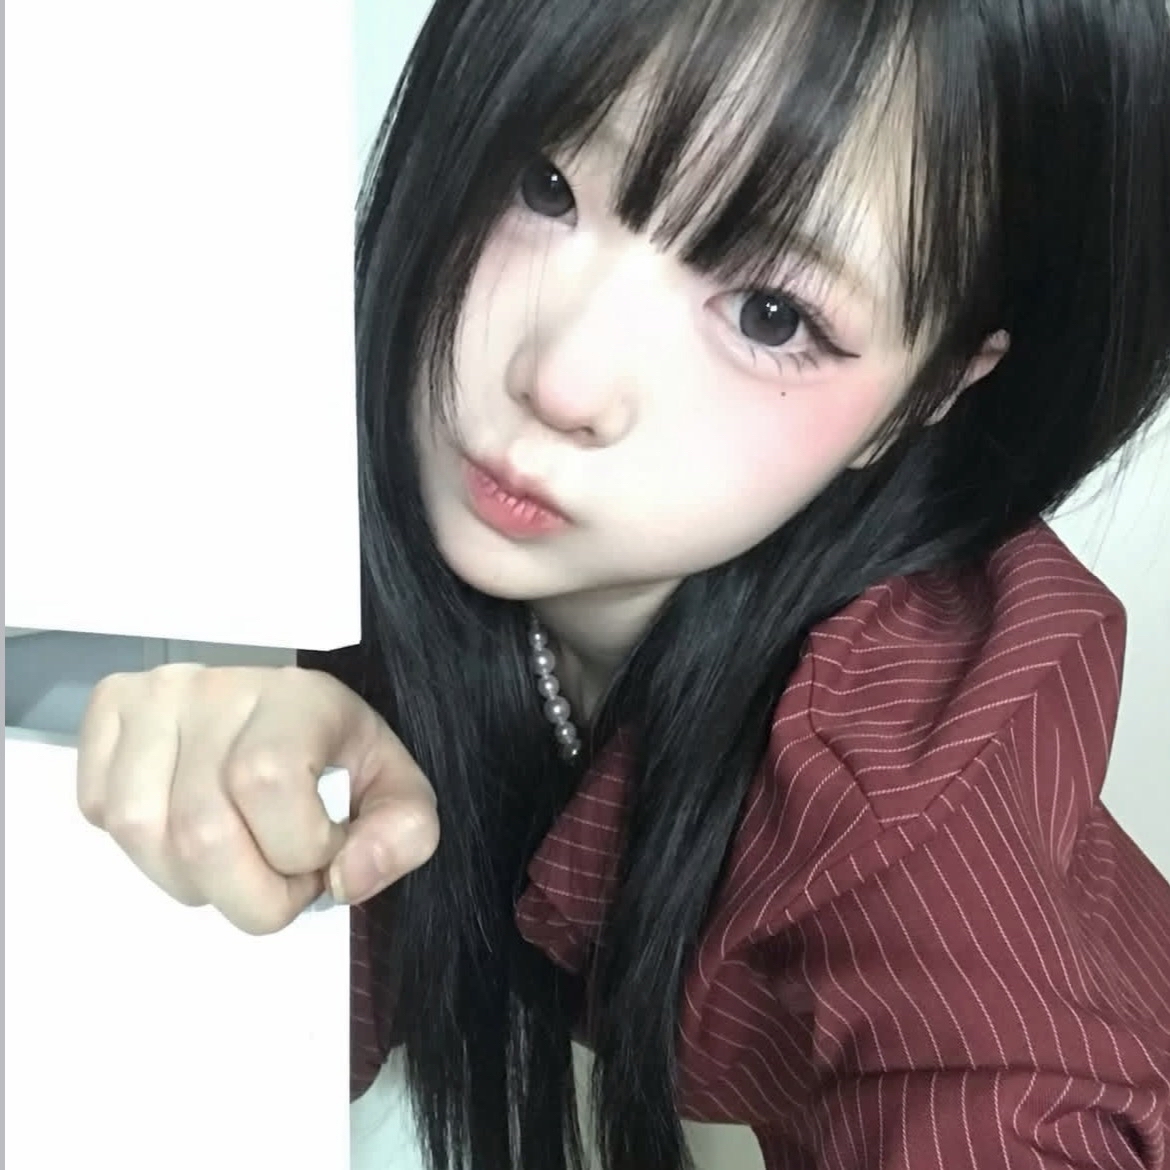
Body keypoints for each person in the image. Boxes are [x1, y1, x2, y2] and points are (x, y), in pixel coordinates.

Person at [76, 0, 1170, 1167]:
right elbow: (238, 1062)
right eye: (545, 186)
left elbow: (1002, 1097)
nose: (562, 379)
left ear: (931, 391)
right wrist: (238, 835)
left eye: (771, 315)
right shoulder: (376, 539)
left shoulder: (895, 775)